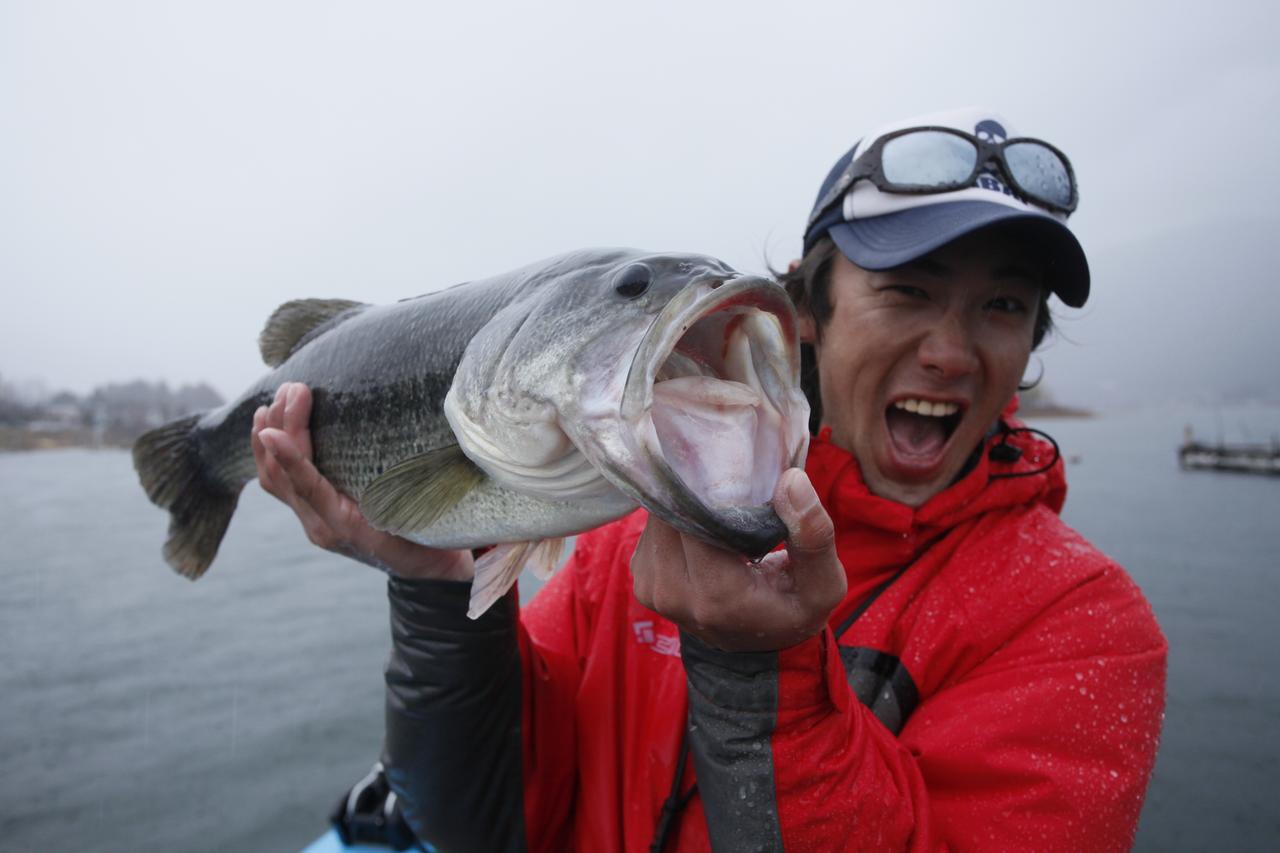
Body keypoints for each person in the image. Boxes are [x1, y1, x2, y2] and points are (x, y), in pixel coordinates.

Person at [252, 108, 1166, 852]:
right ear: (808, 311)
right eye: (909, 290)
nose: (951, 352)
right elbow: (483, 823)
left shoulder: (1083, 627)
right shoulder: (624, 536)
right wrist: (435, 587)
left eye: (1004, 305)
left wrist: (757, 679)